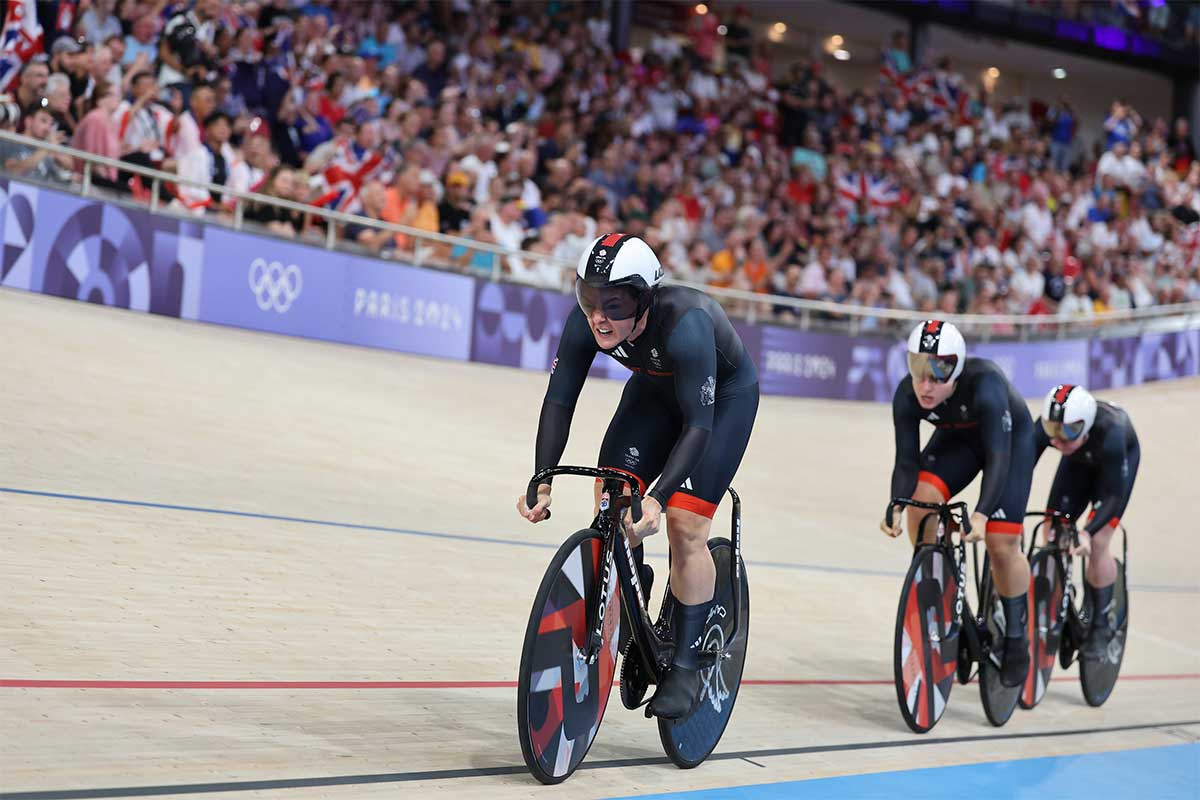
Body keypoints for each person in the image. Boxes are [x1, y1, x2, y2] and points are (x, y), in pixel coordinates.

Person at [517, 234, 759, 719]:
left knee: (685, 527)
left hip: (719, 406)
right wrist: (543, 473)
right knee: (612, 500)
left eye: (616, 302)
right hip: (654, 392)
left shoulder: (686, 324)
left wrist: (660, 495)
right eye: (588, 298)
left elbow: (697, 426)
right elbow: (560, 401)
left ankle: (687, 665)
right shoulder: (589, 322)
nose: (599, 316)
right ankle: (633, 586)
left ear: (645, 298)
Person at [882, 320, 1034, 688]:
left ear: (959, 367)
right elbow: (907, 461)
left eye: (939, 371)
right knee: (921, 505)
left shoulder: (986, 386)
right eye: (918, 368)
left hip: (1007, 446)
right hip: (959, 442)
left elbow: (998, 458)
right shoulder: (907, 394)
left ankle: (1016, 635)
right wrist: (896, 505)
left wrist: (982, 515)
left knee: (1000, 544)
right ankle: (947, 589)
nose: (926, 383)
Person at [1033, 385, 1139, 660]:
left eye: (1068, 432)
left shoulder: (1113, 431)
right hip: (1078, 461)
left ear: (1086, 426)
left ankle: (1101, 625)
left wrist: (1087, 532)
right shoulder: (1058, 432)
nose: (1058, 440)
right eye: (1053, 431)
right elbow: (1022, 466)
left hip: (1115, 470)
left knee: (1099, 541)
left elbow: (1113, 495)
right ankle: (1059, 605)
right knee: (1052, 530)